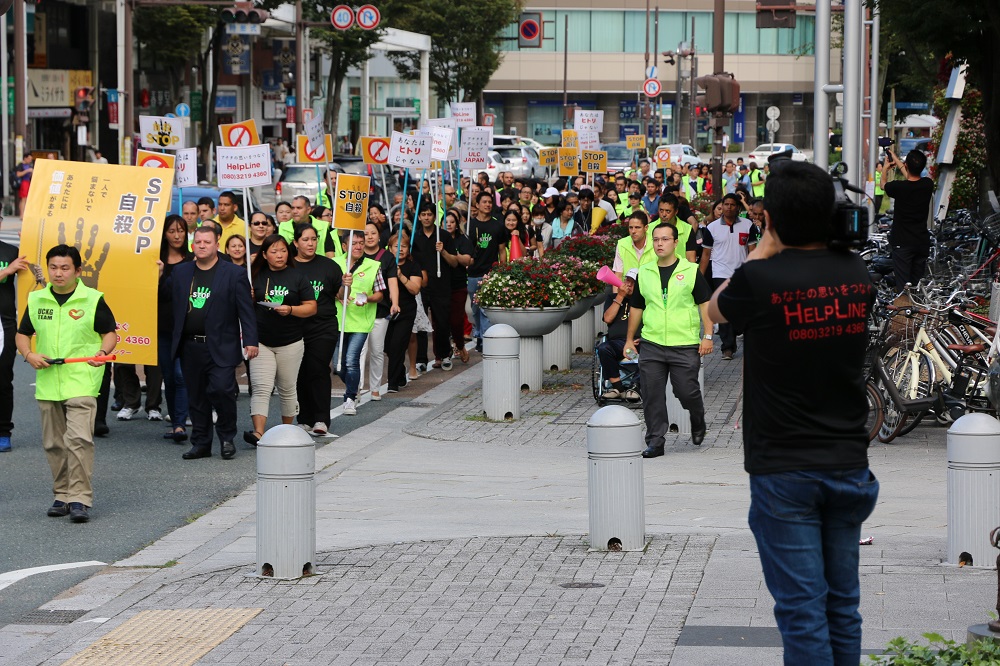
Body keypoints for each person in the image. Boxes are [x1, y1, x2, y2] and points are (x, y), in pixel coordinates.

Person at [708, 160, 878, 665]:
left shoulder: (760, 278)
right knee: (842, 608)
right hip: (848, 462)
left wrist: (763, 246)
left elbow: (715, 310)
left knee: (803, 613)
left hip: (784, 468)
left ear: (771, 217)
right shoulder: (857, 274)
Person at [16, 244, 117, 523]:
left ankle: (79, 499)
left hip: (81, 379)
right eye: (53, 267)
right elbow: (23, 334)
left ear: (77, 271)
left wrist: (101, 353)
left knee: (79, 440)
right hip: (48, 382)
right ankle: (62, 494)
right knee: (53, 443)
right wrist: (29, 354)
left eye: (64, 268)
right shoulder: (37, 300)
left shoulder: (93, 299)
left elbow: (110, 333)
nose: (58, 273)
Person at [624, 223, 713, 457]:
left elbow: (705, 304)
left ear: (676, 243)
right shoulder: (644, 272)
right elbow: (636, 307)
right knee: (651, 393)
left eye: (665, 239)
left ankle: (697, 417)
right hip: (652, 342)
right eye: (656, 240)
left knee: (686, 391)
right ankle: (655, 440)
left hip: (684, 343)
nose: (660, 243)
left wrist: (708, 335)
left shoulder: (691, 271)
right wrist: (630, 338)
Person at [169, 227, 258, 461]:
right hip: (190, 345)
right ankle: (201, 443)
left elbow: (245, 310)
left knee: (222, 391)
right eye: (197, 241)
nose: (201, 245)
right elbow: (169, 303)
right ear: (192, 246)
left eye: (206, 242)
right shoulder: (180, 273)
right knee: (196, 397)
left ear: (217, 244)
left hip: (221, 345)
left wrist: (250, 340)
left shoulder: (233, 273)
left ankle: (227, 437)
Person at [244, 234, 316, 446]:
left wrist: (291, 309)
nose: (279, 255)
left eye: (283, 251)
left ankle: (286, 430)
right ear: (264, 255)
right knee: (261, 386)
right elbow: (242, 307)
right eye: (274, 251)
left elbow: (311, 307)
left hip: (290, 342)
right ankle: (258, 433)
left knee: (287, 387)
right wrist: (246, 296)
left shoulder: (297, 276)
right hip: (261, 341)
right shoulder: (254, 275)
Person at [292, 224, 343, 434]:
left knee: (318, 368)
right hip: (295, 327)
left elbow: (339, 295)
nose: (310, 243)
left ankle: (321, 419)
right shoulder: (288, 266)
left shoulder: (329, 266)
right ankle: (304, 417)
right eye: (305, 239)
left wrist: (345, 285)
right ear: (296, 243)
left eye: (314, 239)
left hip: (323, 326)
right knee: (300, 372)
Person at [334, 232, 385, 415]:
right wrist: (339, 291)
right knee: (337, 365)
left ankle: (349, 398)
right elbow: (328, 289)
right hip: (338, 321)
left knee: (351, 360)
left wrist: (368, 298)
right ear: (345, 246)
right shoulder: (335, 263)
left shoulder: (373, 265)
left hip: (361, 322)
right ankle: (353, 387)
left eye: (361, 243)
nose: (358, 246)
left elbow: (380, 294)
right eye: (354, 243)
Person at [701, 193, 753, 360]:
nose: (729, 207)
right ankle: (727, 347)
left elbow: (752, 251)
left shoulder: (748, 225)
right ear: (721, 206)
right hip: (720, 273)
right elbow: (705, 254)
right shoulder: (712, 228)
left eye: (732, 204)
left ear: (738, 207)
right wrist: (699, 276)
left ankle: (737, 331)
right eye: (726, 204)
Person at [412, 202, 460, 370]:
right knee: (421, 324)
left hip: (441, 285)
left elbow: (454, 263)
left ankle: (444, 355)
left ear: (434, 216)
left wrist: (443, 251)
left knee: (442, 322)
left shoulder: (444, 236)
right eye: (423, 214)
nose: (426, 217)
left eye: (429, 214)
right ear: (419, 216)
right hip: (421, 286)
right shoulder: (414, 238)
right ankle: (421, 360)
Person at [156, 215, 192, 443]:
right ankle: (176, 420)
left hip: (187, 327)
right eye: (172, 231)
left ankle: (180, 424)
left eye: (181, 230)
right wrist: (158, 276)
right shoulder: (156, 261)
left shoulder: (192, 260)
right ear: (164, 234)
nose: (177, 235)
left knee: (181, 376)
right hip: (162, 326)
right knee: (169, 377)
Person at [358, 221, 400, 400]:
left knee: (376, 350)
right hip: (358, 311)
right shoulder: (355, 255)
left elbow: (392, 281)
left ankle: (375, 388)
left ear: (379, 235)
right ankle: (357, 388)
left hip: (380, 311)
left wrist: (395, 302)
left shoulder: (387, 257)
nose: (369, 237)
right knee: (359, 351)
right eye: (366, 233)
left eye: (373, 233)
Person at [880, 148, 933, 287]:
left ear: (907, 165)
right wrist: (896, 159)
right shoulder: (927, 184)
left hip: (902, 243)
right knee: (916, 285)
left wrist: (885, 168)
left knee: (903, 287)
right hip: (921, 242)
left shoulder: (899, 187)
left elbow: (883, 185)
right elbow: (911, 178)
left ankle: (904, 308)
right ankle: (917, 306)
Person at [467, 192, 508, 353]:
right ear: (477, 205)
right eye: (484, 202)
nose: (487, 205)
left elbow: (502, 250)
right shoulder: (470, 226)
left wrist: (502, 270)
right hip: (472, 273)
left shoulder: (497, 225)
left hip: (490, 273)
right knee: (475, 308)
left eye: (490, 202)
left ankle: (484, 338)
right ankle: (478, 333)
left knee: (485, 309)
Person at [0, 215, 27, 452]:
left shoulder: (10, 251)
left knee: (3, 379)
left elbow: (38, 277)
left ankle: (3, 431)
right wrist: (7, 271)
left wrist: (31, 247)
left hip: (4, 325)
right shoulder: (8, 263)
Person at [385, 231, 423, 392]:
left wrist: (400, 275)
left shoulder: (413, 266)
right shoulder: (385, 264)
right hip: (386, 311)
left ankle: (392, 383)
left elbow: (415, 289)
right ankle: (399, 372)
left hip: (406, 311)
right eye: (396, 246)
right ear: (390, 248)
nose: (400, 249)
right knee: (387, 346)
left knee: (398, 345)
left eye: (404, 246)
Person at [599, 268, 640, 401]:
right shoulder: (613, 298)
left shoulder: (643, 301)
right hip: (618, 344)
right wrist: (620, 296)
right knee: (604, 348)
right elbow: (608, 319)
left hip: (637, 345)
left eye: (632, 282)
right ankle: (617, 387)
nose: (628, 284)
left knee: (650, 352)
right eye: (627, 280)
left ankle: (636, 387)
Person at [445, 210, 474, 362]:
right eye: (446, 222)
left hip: (458, 284)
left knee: (456, 319)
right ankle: (443, 353)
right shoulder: (439, 239)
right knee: (442, 321)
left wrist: (452, 256)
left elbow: (467, 260)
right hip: (442, 285)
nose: (449, 224)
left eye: (452, 222)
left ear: (457, 224)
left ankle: (460, 344)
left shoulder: (463, 240)